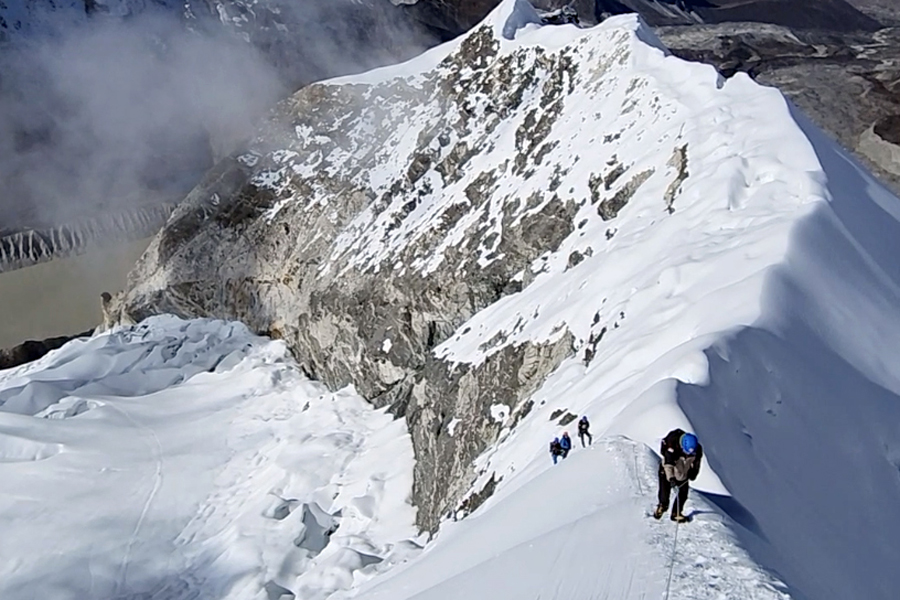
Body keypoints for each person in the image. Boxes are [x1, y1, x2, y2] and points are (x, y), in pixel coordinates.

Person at [654, 428, 702, 523]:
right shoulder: (672, 445)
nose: (689, 454)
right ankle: (662, 506)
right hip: (667, 470)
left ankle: (676, 513)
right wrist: (671, 478)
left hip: (683, 471)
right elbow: (668, 464)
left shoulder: (697, 449)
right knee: (665, 490)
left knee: (683, 493)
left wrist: (693, 473)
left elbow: (697, 463)